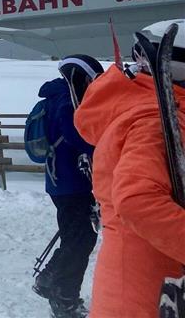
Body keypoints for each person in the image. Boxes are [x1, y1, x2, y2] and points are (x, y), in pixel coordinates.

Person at [74, 21, 185, 318]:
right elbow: (137, 200)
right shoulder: (154, 121)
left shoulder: (162, 111)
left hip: (150, 282)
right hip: (145, 291)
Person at [32, 54, 105, 318]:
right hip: (70, 183)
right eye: (91, 79)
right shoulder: (66, 100)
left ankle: (50, 279)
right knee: (81, 240)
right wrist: (104, 146)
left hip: (61, 182)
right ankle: (64, 298)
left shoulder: (57, 95)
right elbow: (78, 136)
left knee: (75, 236)